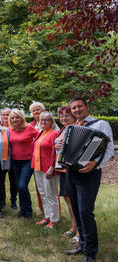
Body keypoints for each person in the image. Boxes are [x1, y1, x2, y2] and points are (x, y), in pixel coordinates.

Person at [64, 98, 114, 262]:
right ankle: (83, 244)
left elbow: (109, 149)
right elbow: (66, 148)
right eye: (73, 108)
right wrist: (60, 149)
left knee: (85, 211)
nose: (76, 110)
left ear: (87, 107)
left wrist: (95, 163)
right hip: (71, 172)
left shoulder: (101, 124)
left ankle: (90, 252)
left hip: (89, 174)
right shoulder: (73, 127)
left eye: (79, 106)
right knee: (77, 210)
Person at [8, 109, 39, 219]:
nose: (15, 119)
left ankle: (28, 210)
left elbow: (40, 138)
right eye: (12, 118)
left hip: (27, 161)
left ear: (22, 118)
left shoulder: (29, 128)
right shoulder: (9, 130)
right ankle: (23, 210)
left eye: (17, 117)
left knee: (22, 185)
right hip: (14, 162)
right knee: (19, 186)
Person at [55, 106, 79, 242]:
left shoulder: (75, 128)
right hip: (63, 169)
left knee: (73, 199)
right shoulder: (64, 129)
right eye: (61, 116)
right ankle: (73, 227)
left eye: (67, 115)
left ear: (73, 117)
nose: (63, 118)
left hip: (72, 170)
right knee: (67, 198)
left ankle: (79, 232)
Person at [32, 111, 60, 229]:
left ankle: (54, 219)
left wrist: (52, 167)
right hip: (38, 167)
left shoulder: (54, 134)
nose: (43, 122)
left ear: (51, 121)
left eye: (46, 120)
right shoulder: (41, 132)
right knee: (43, 193)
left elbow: (56, 152)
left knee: (51, 194)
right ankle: (47, 216)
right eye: (41, 120)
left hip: (48, 169)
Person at [0, 108, 17, 209]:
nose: (6, 117)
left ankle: (13, 200)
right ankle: (2, 201)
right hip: (2, 159)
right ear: (1, 116)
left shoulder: (15, 128)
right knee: (1, 181)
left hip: (13, 159)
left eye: (8, 115)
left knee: (13, 182)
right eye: (4, 115)